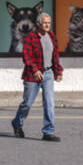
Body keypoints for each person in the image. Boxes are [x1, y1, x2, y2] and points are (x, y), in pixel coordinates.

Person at [13, 11, 63, 141]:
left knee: (49, 103)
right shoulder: (30, 37)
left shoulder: (51, 36)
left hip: (48, 73)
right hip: (32, 75)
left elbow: (55, 55)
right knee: (27, 103)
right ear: (38, 23)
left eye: (49, 23)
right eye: (45, 23)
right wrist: (35, 70)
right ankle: (17, 123)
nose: (47, 25)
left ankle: (48, 132)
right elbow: (26, 56)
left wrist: (58, 71)